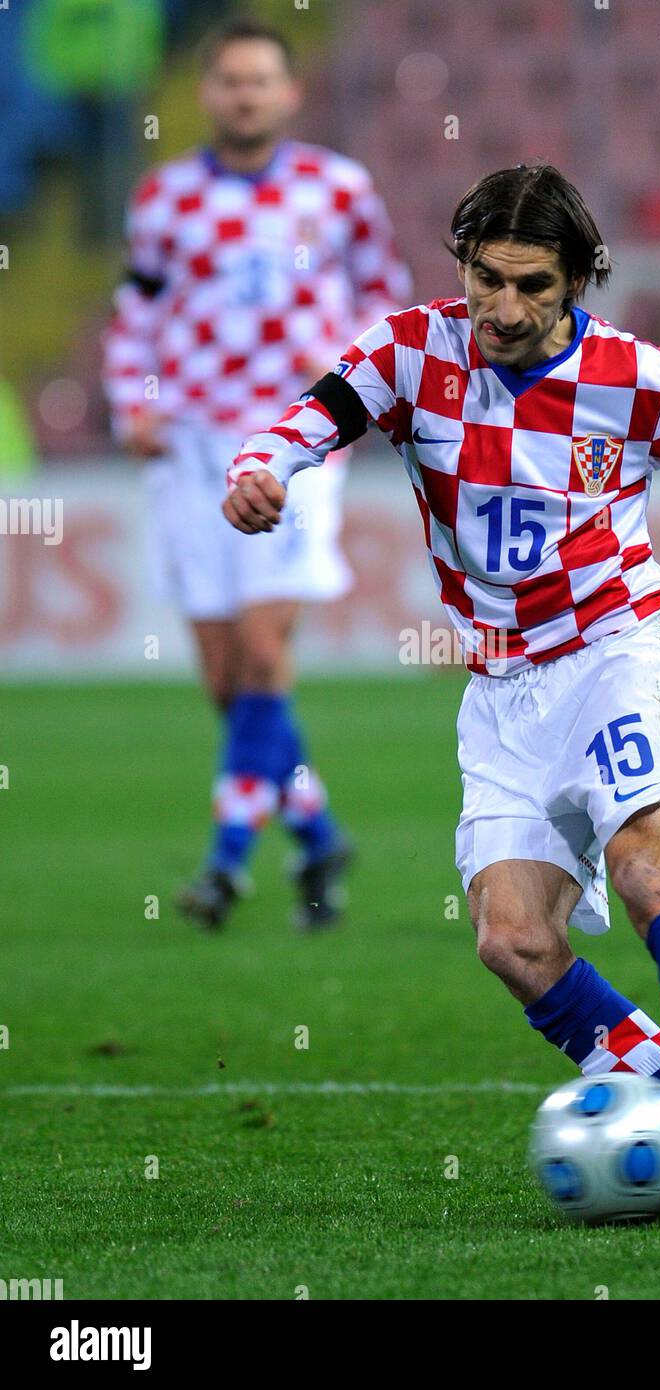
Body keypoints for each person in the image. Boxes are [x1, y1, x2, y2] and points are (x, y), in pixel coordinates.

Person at [221, 164, 660, 1216]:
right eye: (487, 278)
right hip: (502, 685)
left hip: (618, 650)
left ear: (577, 284)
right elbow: (312, 417)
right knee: (511, 939)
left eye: (533, 286)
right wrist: (264, 469)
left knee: (652, 869)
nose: (504, 308)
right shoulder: (412, 350)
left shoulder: (638, 376)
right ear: (462, 266)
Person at [102, 18, 411, 930]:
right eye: (230, 81)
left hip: (295, 437)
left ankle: (226, 864)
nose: (245, 95)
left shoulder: (339, 189)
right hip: (191, 440)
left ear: (289, 92)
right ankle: (315, 832)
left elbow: (383, 298)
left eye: (260, 80)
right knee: (226, 678)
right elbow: (135, 312)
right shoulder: (165, 197)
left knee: (267, 649)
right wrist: (135, 405)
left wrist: (361, 398)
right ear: (208, 94)